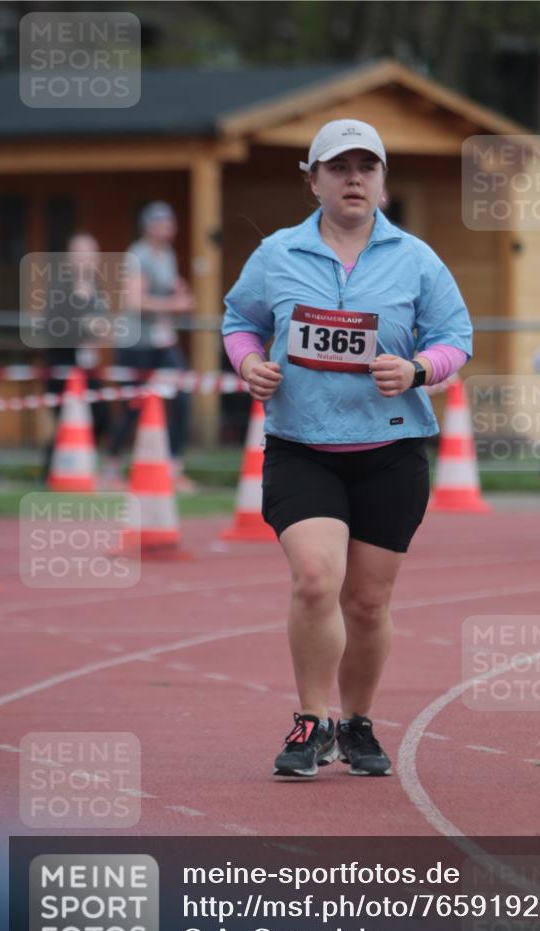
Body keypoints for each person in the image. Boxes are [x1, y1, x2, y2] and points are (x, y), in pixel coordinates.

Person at [222, 119, 472, 778]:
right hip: (301, 445)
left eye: (367, 166)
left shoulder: (415, 258)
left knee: (366, 603)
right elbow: (240, 321)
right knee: (314, 581)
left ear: (383, 181)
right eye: (339, 167)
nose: (353, 177)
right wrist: (248, 365)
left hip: (388, 451)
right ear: (313, 179)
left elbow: (455, 335)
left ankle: (356, 722)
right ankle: (311, 721)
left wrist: (417, 369)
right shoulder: (277, 252)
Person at [104, 201, 197, 492]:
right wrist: (174, 303)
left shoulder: (167, 254)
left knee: (182, 396)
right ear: (149, 227)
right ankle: (112, 464)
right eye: (162, 223)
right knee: (134, 405)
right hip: (136, 341)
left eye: (170, 223)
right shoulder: (138, 254)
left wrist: (178, 290)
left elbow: (167, 288)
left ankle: (173, 465)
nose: (168, 228)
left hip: (162, 340)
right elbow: (134, 302)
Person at [42, 232, 113, 479]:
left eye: (89, 253)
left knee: (101, 417)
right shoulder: (60, 287)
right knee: (66, 421)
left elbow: (104, 325)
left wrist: (96, 325)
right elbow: (57, 325)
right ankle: (53, 471)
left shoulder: (96, 288)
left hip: (88, 367)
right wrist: (85, 323)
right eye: (79, 253)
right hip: (62, 367)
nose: (85, 259)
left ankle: (72, 467)